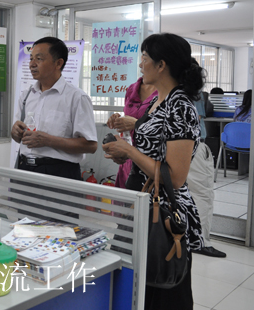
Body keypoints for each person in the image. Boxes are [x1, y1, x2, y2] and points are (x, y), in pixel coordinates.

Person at [103, 33, 204, 310]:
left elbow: (176, 176)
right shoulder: (161, 100)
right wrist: (127, 144)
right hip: (143, 202)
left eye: (145, 59)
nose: (140, 65)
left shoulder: (180, 106)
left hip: (164, 211)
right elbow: (155, 148)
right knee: (136, 286)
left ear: (161, 65)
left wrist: (129, 151)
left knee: (163, 287)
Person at [11, 37, 97, 179]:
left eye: (39, 59)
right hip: (25, 169)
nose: (32, 64)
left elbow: (90, 145)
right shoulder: (26, 95)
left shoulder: (76, 97)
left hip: (59, 172)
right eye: (31, 58)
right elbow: (18, 137)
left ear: (58, 63)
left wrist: (48, 140)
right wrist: (15, 132)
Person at [106, 77, 157, 188]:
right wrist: (119, 120)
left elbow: (167, 129)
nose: (141, 67)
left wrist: (137, 124)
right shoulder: (132, 89)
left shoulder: (169, 93)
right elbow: (130, 120)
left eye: (146, 60)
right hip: (129, 163)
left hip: (151, 165)